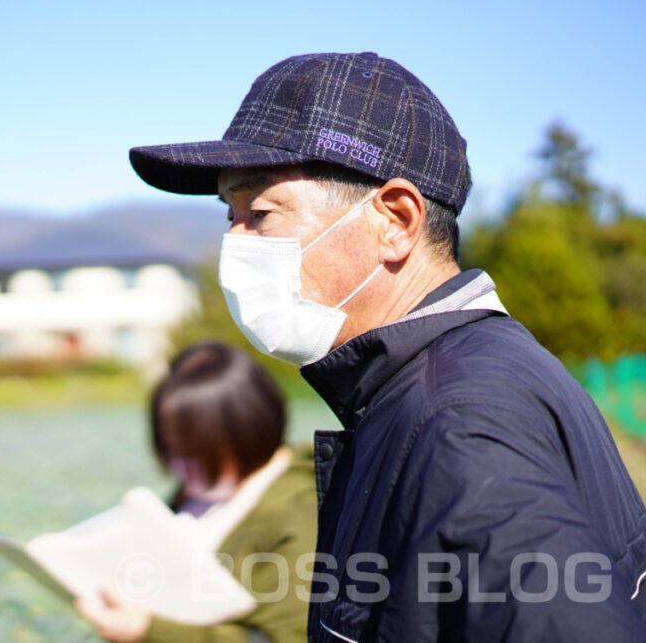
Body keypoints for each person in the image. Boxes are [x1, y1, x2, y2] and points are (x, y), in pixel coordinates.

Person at [126, 52, 646, 641]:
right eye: (230, 215)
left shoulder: (457, 421)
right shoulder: (464, 374)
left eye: (260, 213)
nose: (234, 242)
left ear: (395, 221)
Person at [76, 341, 313, 642]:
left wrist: (149, 632)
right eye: (172, 448)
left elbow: (284, 638)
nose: (181, 466)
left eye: (196, 451)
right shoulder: (197, 493)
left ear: (247, 430)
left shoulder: (298, 511)